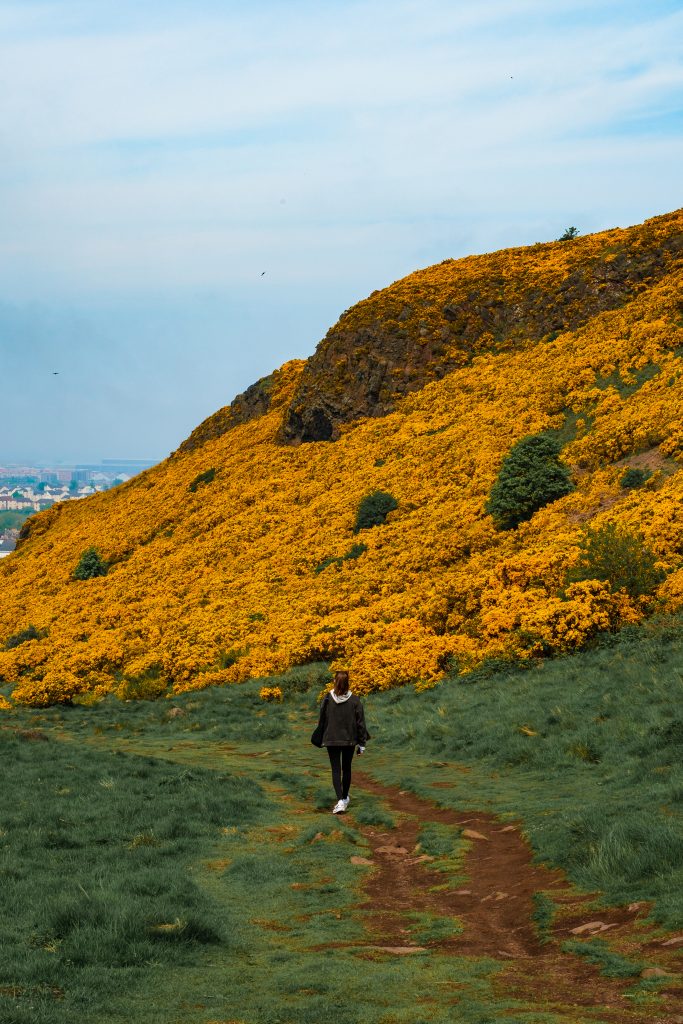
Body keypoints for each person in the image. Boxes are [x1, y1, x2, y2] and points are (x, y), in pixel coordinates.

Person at [316, 670, 370, 814]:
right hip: (349, 740)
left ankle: (341, 800)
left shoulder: (327, 698)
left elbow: (322, 720)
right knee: (346, 769)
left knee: (335, 769)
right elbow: (361, 724)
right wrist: (362, 744)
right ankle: (344, 798)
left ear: (335, 681)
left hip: (331, 739)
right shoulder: (355, 700)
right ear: (348, 682)